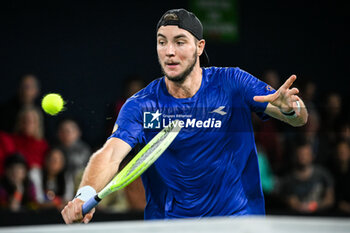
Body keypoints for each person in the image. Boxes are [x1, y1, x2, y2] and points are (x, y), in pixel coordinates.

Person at [61, 9, 308, 224]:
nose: (169, 52)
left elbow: (297, 118)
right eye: (162, 42)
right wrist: (84, 195)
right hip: (170, 225)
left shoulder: (232, 82)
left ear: (199, 47)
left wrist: (290, 107)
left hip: (236, 220)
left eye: (180, 42)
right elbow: (110, 155)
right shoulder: (142, 105)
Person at [281, 141, 334, 214]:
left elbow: (329, 199)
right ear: (295, 156)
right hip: (298, 218)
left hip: (321, 217)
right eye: (300, 154)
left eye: (306, 154)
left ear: (312, 156)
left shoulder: (322, 174)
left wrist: (313, 206)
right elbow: (291, 202)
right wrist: (301, 207)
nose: (303, 157)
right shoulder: (288, 179)